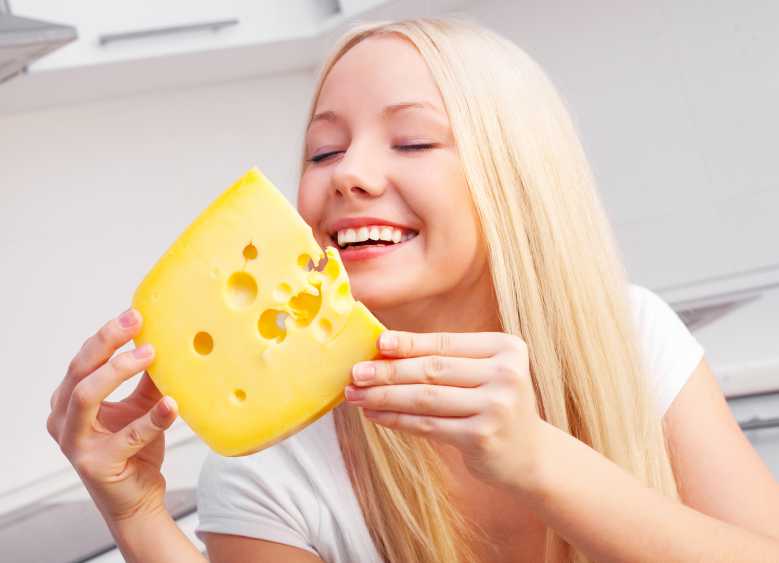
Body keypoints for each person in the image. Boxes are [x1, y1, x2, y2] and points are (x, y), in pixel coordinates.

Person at [47, 17, 779, 563]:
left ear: (516, 179)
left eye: (414, 141)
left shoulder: (632, 338)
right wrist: (140, 512)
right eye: (324, 149)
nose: (347, 173)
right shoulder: (271, 466)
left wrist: (537, 460)